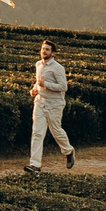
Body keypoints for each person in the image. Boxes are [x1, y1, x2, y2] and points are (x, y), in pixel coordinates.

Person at [28, 40, 75, 173]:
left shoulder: (57, 68)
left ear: (53, 53)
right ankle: (35, 165)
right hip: (40, 102)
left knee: (56, 131)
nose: (44, 51)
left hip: (54, 105)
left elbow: (63, 87)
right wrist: (34, 89)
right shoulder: (38, 64)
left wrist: (46, 85)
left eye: (47, 49)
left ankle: (69, 151)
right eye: (43, 49)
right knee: (37, 133)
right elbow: (38, 82)